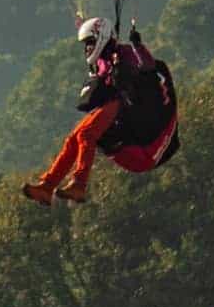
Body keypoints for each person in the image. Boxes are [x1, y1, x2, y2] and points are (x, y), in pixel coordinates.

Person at [23, 15, 178, 204]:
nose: (87, 48)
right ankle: (47, 187)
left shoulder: (125, 52)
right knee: (74, 138)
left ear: (101, 38)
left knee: (86, 135)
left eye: (90, 42)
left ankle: (79, 185)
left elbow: (148, 66)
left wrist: (137, 45)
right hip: (115, 109)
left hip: (128, 112)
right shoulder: (101, 62)